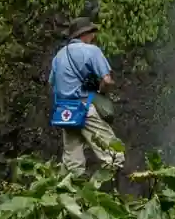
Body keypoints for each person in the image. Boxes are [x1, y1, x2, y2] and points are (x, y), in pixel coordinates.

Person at [50, 17, 126, 177]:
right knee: (113, 155)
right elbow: (107, 80)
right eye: (92, 32)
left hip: (65, 113)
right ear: (84, 34)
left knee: (73, 163)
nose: (93, 36)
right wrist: (102, 91)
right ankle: (109, 188)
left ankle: (74, 190)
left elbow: (52, 82)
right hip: (84, 108)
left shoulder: (59, 56)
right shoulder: (92, 51)